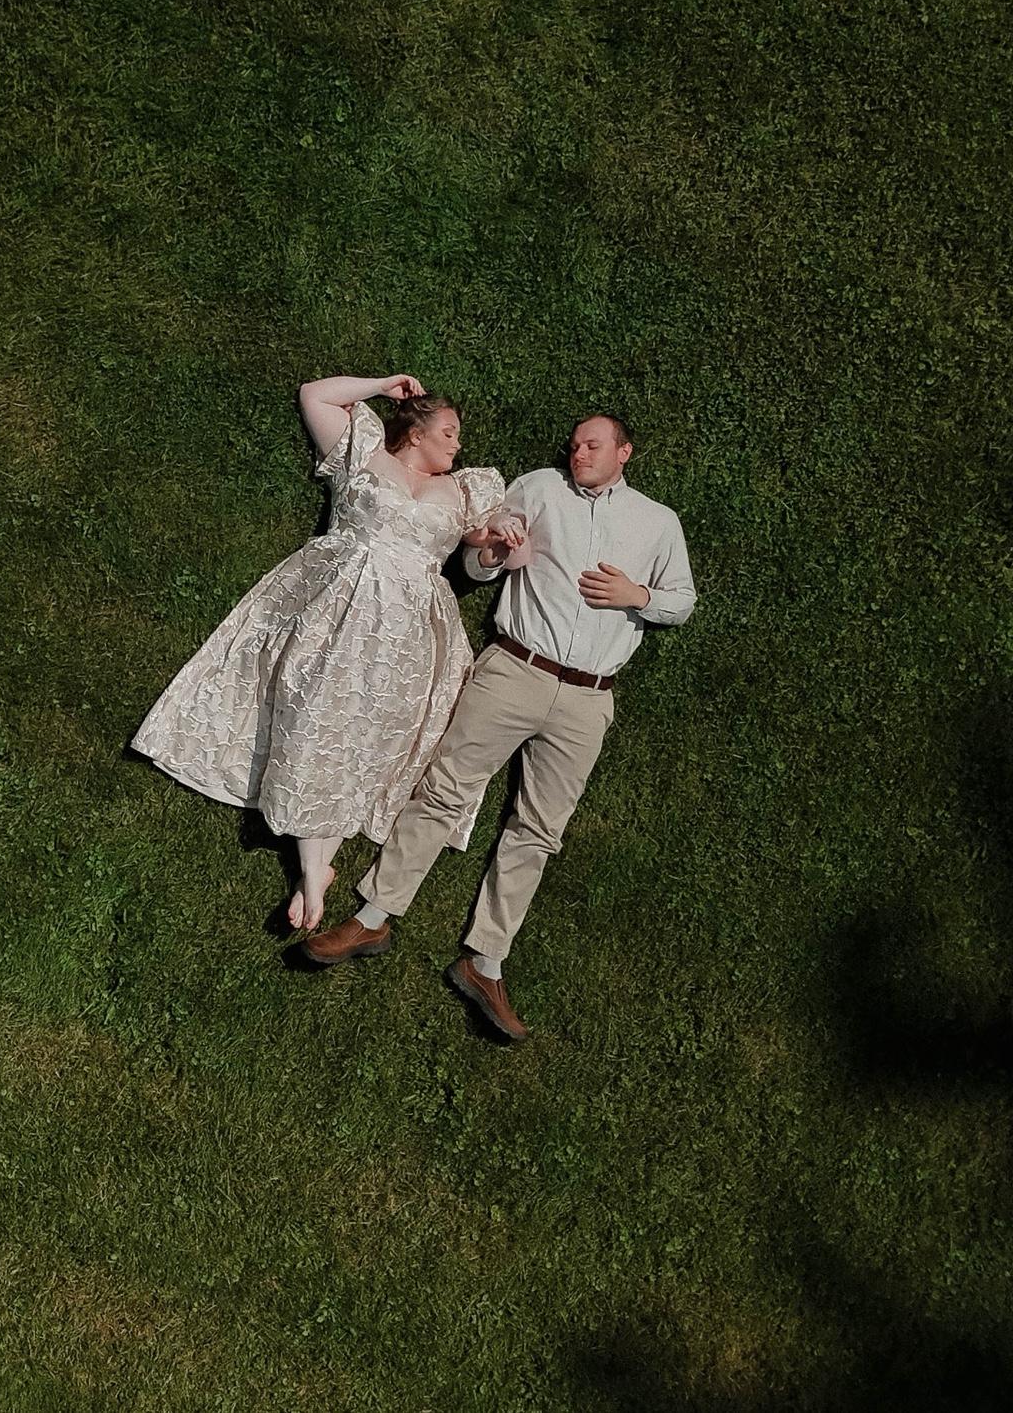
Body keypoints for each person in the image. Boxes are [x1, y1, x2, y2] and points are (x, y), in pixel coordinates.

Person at [300, 413, 696, 1041]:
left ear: (624, 452)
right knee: (444, 791)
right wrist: (495, 552)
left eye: (592, 445)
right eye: (574, 444)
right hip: (516, 667)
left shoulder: (658, 522)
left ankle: (485, 962)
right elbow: (477, 563)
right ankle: (372, 917)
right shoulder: (537, 487)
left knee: (538, 831)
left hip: (589, 698)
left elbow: (683, 601)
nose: (578, 452)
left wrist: (639, 597)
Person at [130, 373, 507, 930]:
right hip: (340, 605)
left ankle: (315, 868)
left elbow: (483, 553)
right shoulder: (366, 451)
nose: (458, 444)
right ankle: (314, 869)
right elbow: (315, 394)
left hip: (410, 633)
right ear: (417, 431)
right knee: (316, 716)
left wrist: (502, 543)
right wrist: (383, 385)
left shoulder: (467, 491)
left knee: (366, 737)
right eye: (449, 432)